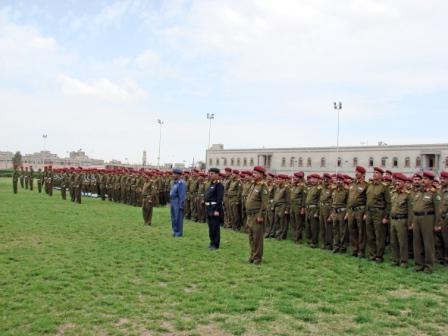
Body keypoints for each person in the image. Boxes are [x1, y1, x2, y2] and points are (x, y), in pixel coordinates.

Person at [245, 166, 269, 265]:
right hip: (250, 215)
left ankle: (257, 258)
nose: (253, 174)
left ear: (261, 175)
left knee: (257, 238)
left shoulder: (263, 186)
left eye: (255, 173)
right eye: (253, 172)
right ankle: (252, 255)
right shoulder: (254, 185)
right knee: (251, 237)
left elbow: (264, 203)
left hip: (256, 215)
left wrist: (261, 216)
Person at [204, 168, 224, 250]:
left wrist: (216, 210)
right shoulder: (211, 184)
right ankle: (211, 242)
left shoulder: (219, 185)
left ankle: (215, 244)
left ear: (217, 175)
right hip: (209, 207)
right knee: (210, 226)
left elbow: (219, 199)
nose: (210, 175)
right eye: (209, 173)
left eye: (212, 173)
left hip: (214, 208)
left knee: (215, 227)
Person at [169, 168, 186, 237]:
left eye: (174, 174)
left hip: (177, 202)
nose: (172, 175)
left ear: (178, 175)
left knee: (178, 218)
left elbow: (182, 195)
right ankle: (174, 230)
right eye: (172, 174)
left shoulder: (181, 183)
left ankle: (179, 232)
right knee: (173, 217)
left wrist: (181, 205)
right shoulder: (174, 182)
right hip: (173, 201)